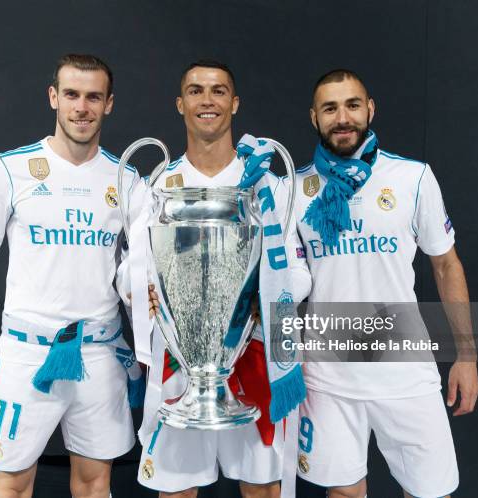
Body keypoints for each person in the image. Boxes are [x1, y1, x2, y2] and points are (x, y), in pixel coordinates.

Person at [0, 54, 144, 498]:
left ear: (108, 104)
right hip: (28, 353)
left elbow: (141, 275)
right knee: (12, 484)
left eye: (93, 97)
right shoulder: (9, 170)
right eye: (71, 94)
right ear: (54, 97)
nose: (81, 107)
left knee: (95, 483)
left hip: (100, 353)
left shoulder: (127, 179)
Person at [292, 69, 478, 498]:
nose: (343, 117)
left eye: (353, 105)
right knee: (342, 493)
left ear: (370, 109)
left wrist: (466, 355)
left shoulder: (412, 178)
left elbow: (447, 265)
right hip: (327, 375)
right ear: (314, 117)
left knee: (431, 493)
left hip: (404, 370)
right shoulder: (294, 188)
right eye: (330, 108)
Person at [128, 59, 311, 498]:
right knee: (176, 491)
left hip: (254, 355)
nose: (207, 100)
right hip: (179, 361)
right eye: (195, 91)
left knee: (262, 488)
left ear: (234, 103)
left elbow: (299, 273)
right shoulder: (156, 184)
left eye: (218, 90)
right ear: (180, 103)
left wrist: (260, 295)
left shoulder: (266, 183)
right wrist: (144, 292)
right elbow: (130, 267)